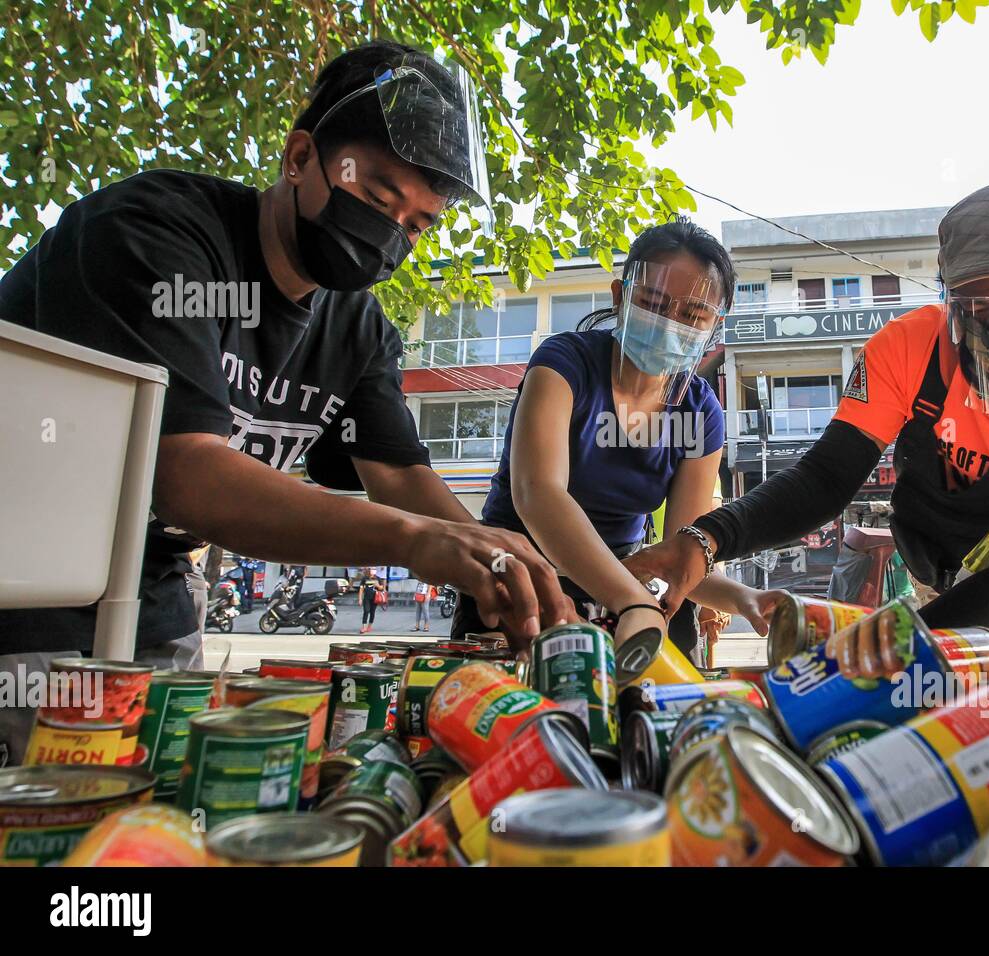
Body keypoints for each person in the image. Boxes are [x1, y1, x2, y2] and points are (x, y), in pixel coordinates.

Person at [0, 41, 574, 765]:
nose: (391, 236)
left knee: (162, 814)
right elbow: (187, 477)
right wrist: (411, 542)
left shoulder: (359, 328)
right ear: (301, 156)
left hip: (153, 607)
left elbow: (399, 478)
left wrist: (497, 561)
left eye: (419, 224)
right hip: (24, 595)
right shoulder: (158, 235)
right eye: (375, 198)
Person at [627, 179, 989, 690]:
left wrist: (878, 656)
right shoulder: (908, 347)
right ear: (949, 300)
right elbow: (825, 479)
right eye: (979, 313)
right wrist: (706, 540)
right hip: (951, 597)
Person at [458, 219, 783, 652]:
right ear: (619, 296)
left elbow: (679, 551)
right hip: (516, 588)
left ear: (713, 327)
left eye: (692, 315)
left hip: (621, 600)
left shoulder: (701, 411)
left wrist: (745, 598)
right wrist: (630, 599)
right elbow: (538, 494)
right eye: (653, 303)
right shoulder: (563, 364)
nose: (670, 324)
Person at [358, 568, 384, 634]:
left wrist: (377, 585)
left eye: (374, 569)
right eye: (372, 569)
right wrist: (360, 598)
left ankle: (369, 626)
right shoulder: (365, 578)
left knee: (372, 612)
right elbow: (361, 589)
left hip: (375, 598)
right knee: (366, 611)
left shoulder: (378, 578)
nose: (373, 570)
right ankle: (364, 627)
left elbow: (382, 588)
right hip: (366, 597)